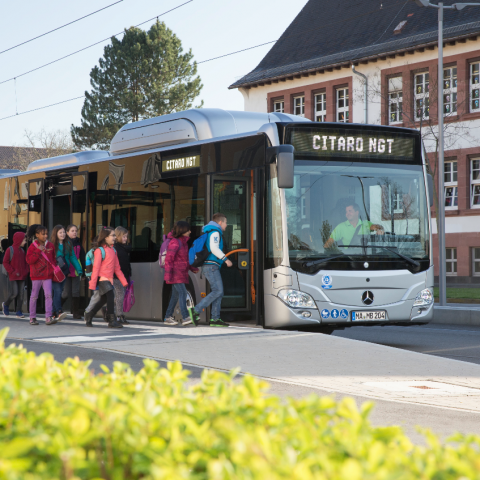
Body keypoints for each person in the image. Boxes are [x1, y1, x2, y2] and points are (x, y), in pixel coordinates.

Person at [188, 213, 232, 328]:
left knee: (218, 292)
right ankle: (196, 310)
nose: (226, 225)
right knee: (218, 291)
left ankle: (215, 319)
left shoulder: (212, 231)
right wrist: (226, 259)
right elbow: (214, 248)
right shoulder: (215, 232)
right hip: (211, 266)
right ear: (220, 222)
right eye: (226, 222)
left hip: (211, 266)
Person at [88, 227, 128, 329]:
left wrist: (124, 282)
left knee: (103, 300)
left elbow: (117, 268)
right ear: (106, 238)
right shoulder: (99, 251)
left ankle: (89, 315)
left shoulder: (113, 250)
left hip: (110, 279)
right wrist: (93, 283)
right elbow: (96, 268)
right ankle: (111, 321)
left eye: (114, 235)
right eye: (113, 235)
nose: (115, 237)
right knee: (111, 295)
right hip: (102, 279)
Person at [164, 221, 198, 326]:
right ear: (182, 230)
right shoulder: (175, 242)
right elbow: (169, 260)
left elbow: (185, 259)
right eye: (188, 230)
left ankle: (168, 317)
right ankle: (185, 317)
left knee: (175, 296)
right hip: (175, 274)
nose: (190, 231)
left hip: (181, 273)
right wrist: (168, 275)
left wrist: (192, 268)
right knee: (183, 292)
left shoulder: (184, 243)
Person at [25, 225, 57, 326]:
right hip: (36, 275)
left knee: (49, 295)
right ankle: (32, 317)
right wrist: (38, 250)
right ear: (37, 235)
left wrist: (53, 270)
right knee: (34, 296)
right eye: (43, 234)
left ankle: (48, 317)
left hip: (47, 275)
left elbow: (53, 259)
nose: (45, 236)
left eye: (46, 234)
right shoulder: (32, 246)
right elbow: (29, 260)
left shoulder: (50, 245)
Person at [50, 225, 82, 322]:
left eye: (63, 232)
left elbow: (72, 257)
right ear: (56, 234)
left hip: (64, 271)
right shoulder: (51, 245)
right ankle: (59, 311)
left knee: (59, 291)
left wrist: (79, 269)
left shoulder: (68, 243)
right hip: (55, 272)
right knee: (58, 291)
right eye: (60, 232)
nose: (63, 234)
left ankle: (53, 312)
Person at [2, 232, 29, 317]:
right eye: (24, 240)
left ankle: (18, 311)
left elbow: (26, 263)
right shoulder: (10, 250)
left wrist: (26, 271)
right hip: (13, 275)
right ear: (19, 240)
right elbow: (5, 262)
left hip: (22, 276)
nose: (25, 242)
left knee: (21, 294)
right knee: (15, 293)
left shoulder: (22, 251)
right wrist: (12, 271)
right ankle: (6, 304)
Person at [62, 224, 86, 319]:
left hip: (76, 271)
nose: (75, 232)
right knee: (66, 293)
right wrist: (65, 270)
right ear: (67, 233)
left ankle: (75, 313)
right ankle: (56, 309)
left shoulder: (79, 244)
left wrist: (83, 272)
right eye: (72, 231)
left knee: (76, 292)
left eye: (76, 231)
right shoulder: (64, 244)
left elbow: (82, 258)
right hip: (66, 271)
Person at [113, 226, 132, 325]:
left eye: (126, 236)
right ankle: (119, 315)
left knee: (120, 295)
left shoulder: (124, 248)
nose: (125, 239)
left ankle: (108, 309)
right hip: (116, 276)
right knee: (120, 294)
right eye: (123, 237)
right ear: (117, 236)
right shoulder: (115, 248)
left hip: (124, 275)